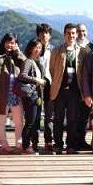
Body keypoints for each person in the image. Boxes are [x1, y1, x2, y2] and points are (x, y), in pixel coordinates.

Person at [49, 23, 88, 154]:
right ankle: (58, 144)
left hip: (75, 91)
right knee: (58, 119)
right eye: (68, 33)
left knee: (73, 119)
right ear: (64, 34)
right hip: (60, 89)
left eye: (73, 33)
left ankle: (71, 145)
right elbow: (52, 69)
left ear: (76, 34)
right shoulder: (57, 50)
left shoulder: (82, 51)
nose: (71, 35)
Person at [0, 32, 26, 154]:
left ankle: (19, 143)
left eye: (13, 43)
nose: (10, 45)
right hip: (2, 94)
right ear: (4, 42)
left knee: (19, 120)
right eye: (8, 42)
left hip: (16, 94)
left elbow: (26, 64)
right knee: (1, 121)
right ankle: (4, 145)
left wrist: (18, 52)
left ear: (16, 44)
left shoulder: (18, 57)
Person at [18, 38, 47, 155]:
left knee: (35, 122)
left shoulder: (38, 61)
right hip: (30, 97)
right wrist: (36, 80)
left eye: (40, 48)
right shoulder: (29, 61)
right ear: (30, 48)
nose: (38, 50)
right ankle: (25, 147)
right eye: (36, 47)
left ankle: (30, 146)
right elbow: (22, 76)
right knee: (30, 122)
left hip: (37, 96)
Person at [76, 23, 93, 150]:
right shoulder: (71, 46)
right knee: (73, 116)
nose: (81, 33)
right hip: (74, 86)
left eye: (83, 31)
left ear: (87, 32)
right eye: (78, 31)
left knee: (84, 116)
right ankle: (72, 140)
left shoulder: (92, 47)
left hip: (88, 86)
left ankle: (81, 140)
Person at [36, 23, 54, 152]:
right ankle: (34, 141)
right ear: (38, 35)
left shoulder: (54, 50)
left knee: (49, 115)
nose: (44, 35)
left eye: (46, 33)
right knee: (35, 114)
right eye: (42, 33)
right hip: (36, 84)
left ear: (50, 35)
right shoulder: (34, 49)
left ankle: (49, 141)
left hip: (50, 84)